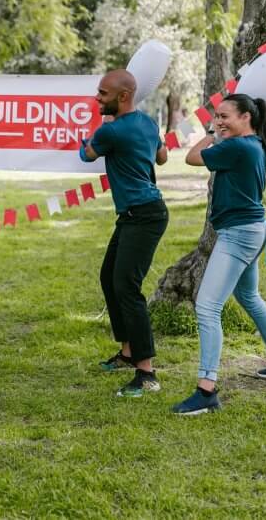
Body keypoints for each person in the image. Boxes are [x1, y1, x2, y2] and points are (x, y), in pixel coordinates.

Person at [172, 93, 266, 415]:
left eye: (225, 116)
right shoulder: (253, 144)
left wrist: (213, 134)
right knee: (249, 297)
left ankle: (206, 390)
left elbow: (192, 157)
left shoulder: (238, 146)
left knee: (207, 306)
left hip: (239, 234)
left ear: (246, 118)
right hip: (251, 229)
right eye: (216, 115)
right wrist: (220, 130)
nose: (218, 120)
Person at [80, 69, 170, 398]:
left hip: (143, 216)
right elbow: (162, 156)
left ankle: (146, 374)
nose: (97, 98)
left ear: (122, 97)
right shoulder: (147, 123)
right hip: (138, 213)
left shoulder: (111, 131)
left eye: (102, 94)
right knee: (109, 278)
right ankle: (127, 352)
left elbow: (86, 154)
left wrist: (90, 139)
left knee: (127, 287)